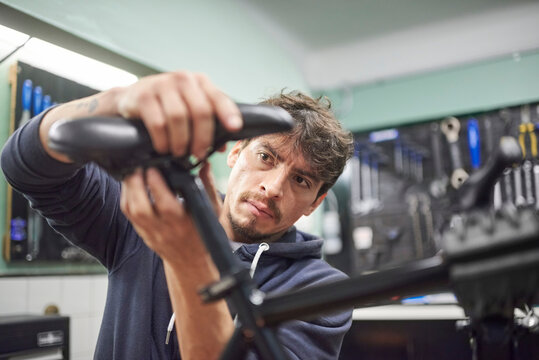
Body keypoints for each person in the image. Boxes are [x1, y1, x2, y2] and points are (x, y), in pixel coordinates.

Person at [1, 71, 353, 359]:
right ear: (235, 153)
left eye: (301, 180)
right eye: (266, 157)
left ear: (314, 203)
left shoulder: (323, 291)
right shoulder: (150, 216)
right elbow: (24, 167)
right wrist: (116, 101)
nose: (274, 187)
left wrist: (189, 260)